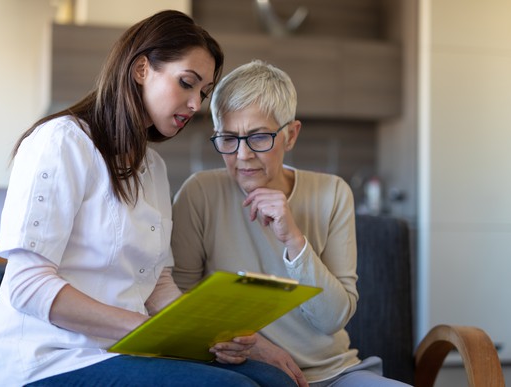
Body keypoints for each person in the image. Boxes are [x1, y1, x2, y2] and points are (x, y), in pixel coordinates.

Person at [0, 12, 296, 387]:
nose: (196, 104)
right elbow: (27, 285)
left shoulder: (154, 168)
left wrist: (215, 336)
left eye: (203, 92)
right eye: (187, 83)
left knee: (276, 381)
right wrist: (146, 329)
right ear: (141, 69)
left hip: (127, 349)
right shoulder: (62, 141)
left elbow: (157, 284)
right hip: (50, 358)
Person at [171, 60, 412, 387]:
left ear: (291, 135)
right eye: (228, 138)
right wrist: (253, 346)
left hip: (335, 374)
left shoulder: (333, 193)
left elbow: (332, 320)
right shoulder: (199, 193)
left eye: (258, 137)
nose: (242, 155)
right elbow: (177, 308)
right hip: (242, 375)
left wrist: (295, 242)